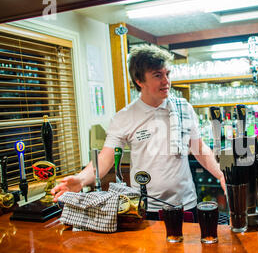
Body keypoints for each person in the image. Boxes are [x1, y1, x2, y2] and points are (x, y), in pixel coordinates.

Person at [51, 44, 225, 221]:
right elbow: (105, 158)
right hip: (145, 207)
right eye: (158, 75)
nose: (166, 81)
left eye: (167, 74)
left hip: (186, 204)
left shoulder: (183, 108)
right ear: (140, 81)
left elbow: (198, 148)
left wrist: (221, 175)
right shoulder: (124, 117)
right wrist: (80, 180)